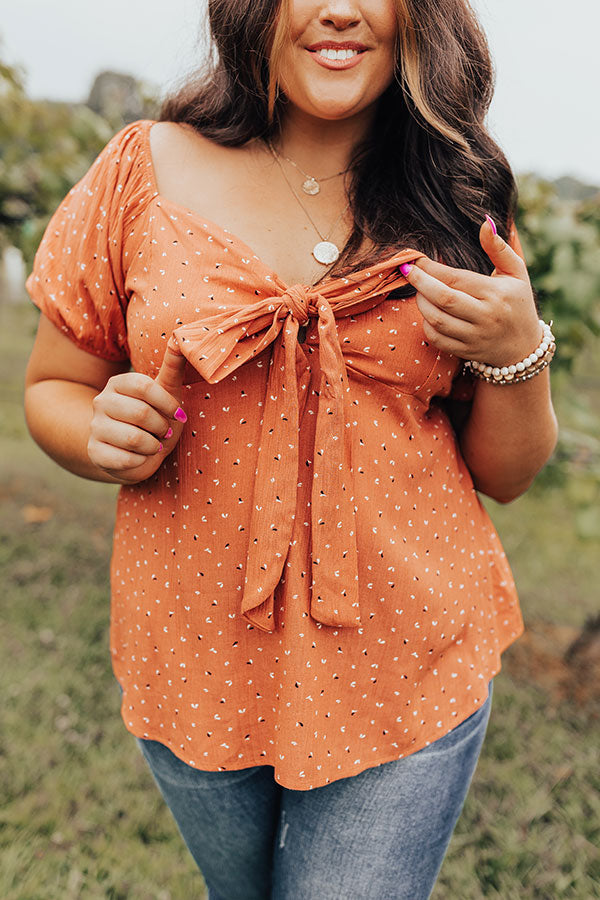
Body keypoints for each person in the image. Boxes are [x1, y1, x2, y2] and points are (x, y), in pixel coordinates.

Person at [23, 1, 558, 898]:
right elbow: (53, 385)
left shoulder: (456, 196)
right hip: (193, 653)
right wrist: (96, 432)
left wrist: (519, 353)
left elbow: (506, 475)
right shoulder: (142, 169)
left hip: (405, 661)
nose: (338, 8)